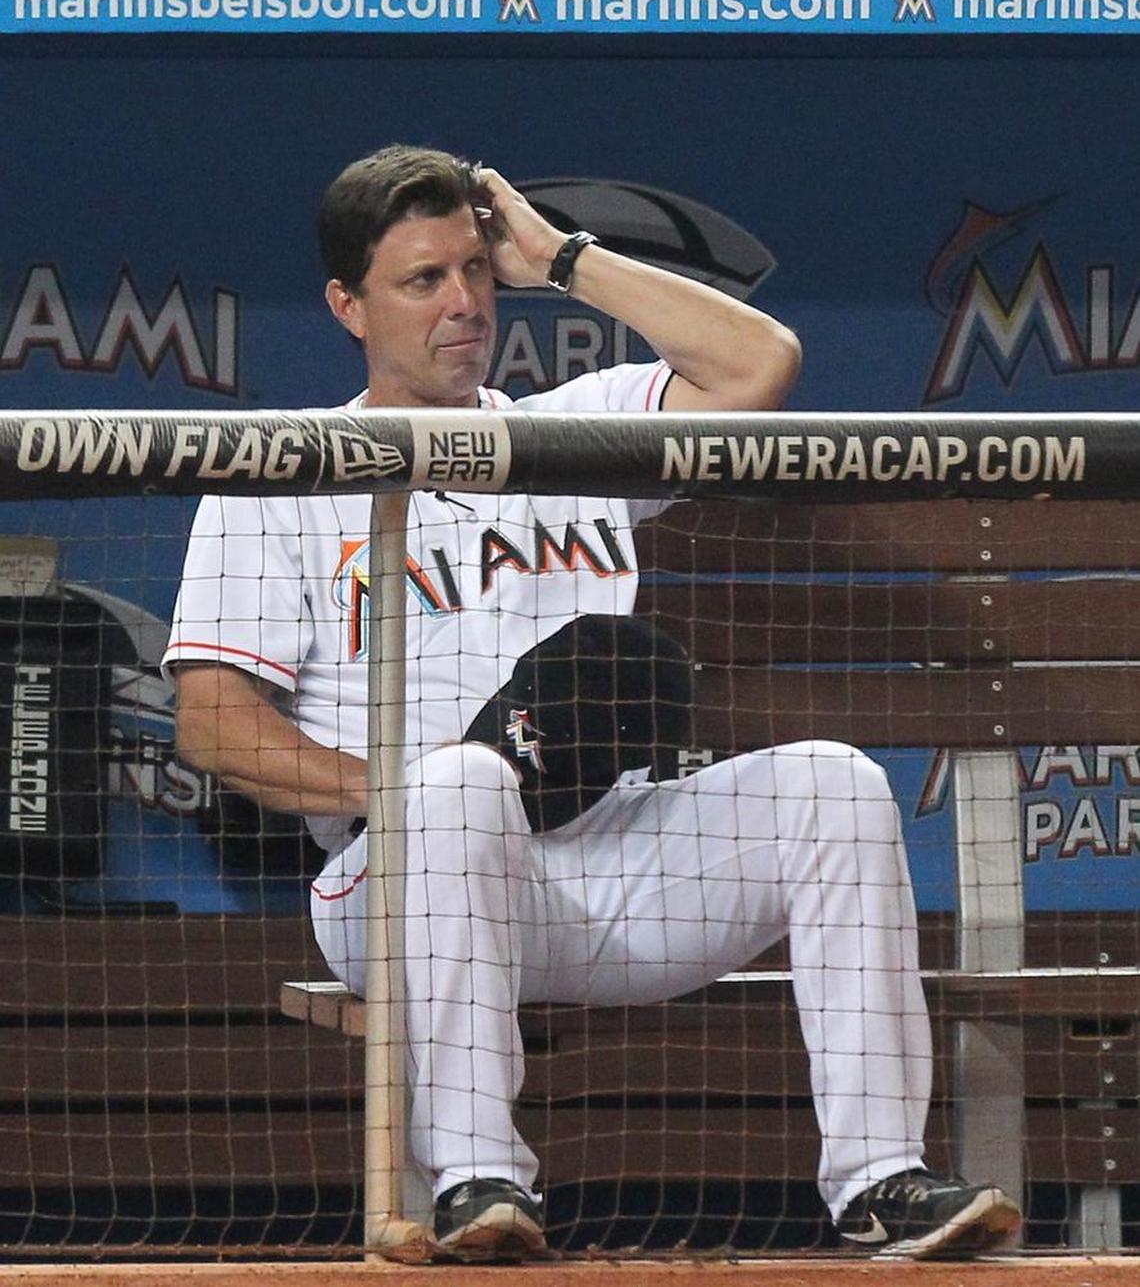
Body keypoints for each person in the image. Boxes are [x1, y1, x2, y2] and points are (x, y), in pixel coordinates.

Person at [162, 144, 1020, 1263]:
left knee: (836, 786)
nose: (465, 301)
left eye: (475, 270)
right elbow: (212, 724)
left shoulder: (574, 427)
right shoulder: (282, 475)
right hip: (396, 881)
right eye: (424, 280)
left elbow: (757, 365)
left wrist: (561, 257)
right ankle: (477, 1182)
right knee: (466, 784)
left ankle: (879, 1180)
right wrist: (404, 794)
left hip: (606, 862)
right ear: (347, 305)